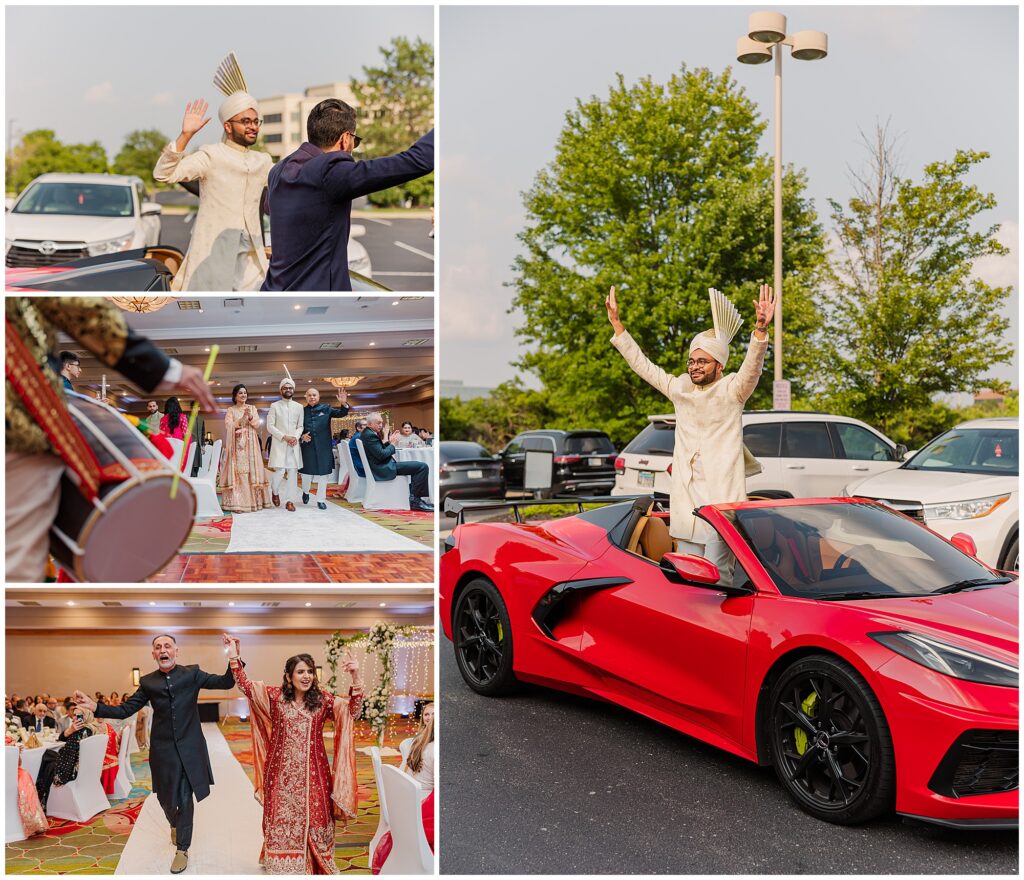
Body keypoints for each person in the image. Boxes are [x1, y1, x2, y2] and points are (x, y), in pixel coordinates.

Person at [606, 284, 773, 579]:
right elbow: (644, 367)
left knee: (720, 576)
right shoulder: (680, 388)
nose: (695, 367)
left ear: (719, 365)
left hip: (721, 501)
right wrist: (619, 327)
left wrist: (760, 331)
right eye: (692, 361)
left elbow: (752, 367)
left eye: (702, 361)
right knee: (688, 577)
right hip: (687, 501)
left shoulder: (732, 389)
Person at [74, 634, 239, 875]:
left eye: (167, 646)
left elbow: (226, 682)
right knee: (165, 798)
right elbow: (125, 709)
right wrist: (95, 706)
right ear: (153, 654)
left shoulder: (192, 673)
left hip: (190, 748)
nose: (163, 650)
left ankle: (182, 848)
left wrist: (234, 655)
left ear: (176, 651)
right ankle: (174, 822)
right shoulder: (148, 682)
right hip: (162, 751)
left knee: (185, 797)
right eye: (158, 647)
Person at [223, 634, 363, 874]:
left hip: (315, 776)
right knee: (280, 818)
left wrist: (356, 676)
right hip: (280, 776)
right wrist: (234, 655)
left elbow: (353, 711)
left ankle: (315, 862)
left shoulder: (322, 701)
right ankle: (283, 862)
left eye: (309, 671)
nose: (306, 676)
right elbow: (246, 686)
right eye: (300, 672)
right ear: (289, 676)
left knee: (317, 818)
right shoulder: (276, 698)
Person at [262, 99, 434, 291]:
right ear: (345, 139)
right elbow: (416, 161)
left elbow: (271, 209)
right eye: (355, 140)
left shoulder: (278, 170)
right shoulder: (330, 171)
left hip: (273, 292)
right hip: (319, 304)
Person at [153, 95, 272, 291]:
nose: (253, 126)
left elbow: (291, 185)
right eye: (245, 121)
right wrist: (186, 135)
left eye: (255, 121)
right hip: (212, 258)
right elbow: (164, 174)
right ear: (227, 126)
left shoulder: (263, 161)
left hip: (252, 262)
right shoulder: (211, 155)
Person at [34, 705, 114, 811]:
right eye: (75, 715)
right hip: (88, 768)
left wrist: (60, 776)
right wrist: (70, 730)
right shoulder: (92, 727)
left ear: (86, 716)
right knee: (49, 754)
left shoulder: (81, 731)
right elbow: (61, 739)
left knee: (46, 759)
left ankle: (42, 797)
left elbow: (69, 754)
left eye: (79, 716)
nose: (76, 718)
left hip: (74, 769)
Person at [357, 413, 433, 511]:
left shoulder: (367, 433)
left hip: (381, 466)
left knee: (418, 466)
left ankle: (414, 498)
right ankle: (415, 501)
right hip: (383, 468)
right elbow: (382, 454)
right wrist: (392, 444)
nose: (381, 425)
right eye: (378, 423)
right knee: (422, 467)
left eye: (381, 423)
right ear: (370, 424)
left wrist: (389, 442)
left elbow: (378, 450)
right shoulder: (370, 435)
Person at [220, 383, 271, 512]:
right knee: (240, 471)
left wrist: (249, 416)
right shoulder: (231, 410)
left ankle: (255, 502)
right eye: (240, 393)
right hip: (238, 446)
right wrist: (242, 419)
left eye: (245, 393)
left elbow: (257, 425)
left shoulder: (252, 408)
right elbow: (229, 426)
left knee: (252, 471)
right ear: (235, 396)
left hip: (252, 445)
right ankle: (238, 503)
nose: (243, 395)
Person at [300, 387, 350, 509]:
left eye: (314, 395)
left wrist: (343, 404)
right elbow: (296, 427)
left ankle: (320, 500)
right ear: (306, 397)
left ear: (318, 397)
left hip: (324, 448)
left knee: (324, 475)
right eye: (310, 395)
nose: (312, 397)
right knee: (306, 475)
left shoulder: (326, 409)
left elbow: (341, 413)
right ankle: (305, 492)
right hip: (307, 448)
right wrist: (301, 436)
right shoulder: (301, 411)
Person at [267, 377, 305, 511]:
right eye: (285, 388)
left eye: (290, 388)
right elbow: (270, 426)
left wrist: (295, 436)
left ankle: (290, 501)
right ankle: (275, 491)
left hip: (293, 444)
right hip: (280, 443)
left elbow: (300, 426)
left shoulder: (299, 407)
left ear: (293, 390)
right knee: (280, 471)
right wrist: (284, 437)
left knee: (293, 472)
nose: (288, 390)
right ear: (280, 390)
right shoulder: (275, 406)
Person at [399, 702, 434, 797]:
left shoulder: (418, 740)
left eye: (433, 714)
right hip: (419, 793)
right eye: (426, 714)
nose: (430, 717)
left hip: (409, 788)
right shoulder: (418, 740)